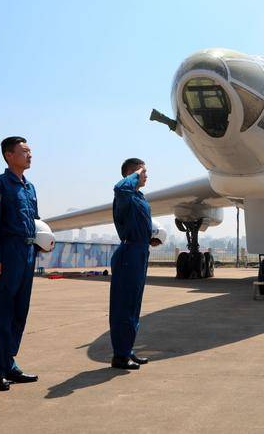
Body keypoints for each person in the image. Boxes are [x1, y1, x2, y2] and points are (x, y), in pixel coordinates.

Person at [0, 136, 40, 391]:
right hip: (6, 254)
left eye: (30, 151)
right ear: (9, 155)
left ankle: (9, 363)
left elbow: (36, 221)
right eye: (24, 151)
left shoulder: (29, 187)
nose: (30, 155)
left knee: (18, 312)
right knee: (0, 312)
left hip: (27, 253)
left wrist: (43, 241)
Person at [109, 158, 157, 369]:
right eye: (142, 171)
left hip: (140, 251)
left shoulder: (138, 197)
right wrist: (135, 174)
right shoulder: (124, 194)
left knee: (134, 307)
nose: (146, 175)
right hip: (129, 254)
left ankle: (127, 349)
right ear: (131, 173)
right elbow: (120, 187)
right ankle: (119, 355)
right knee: (124, 306)